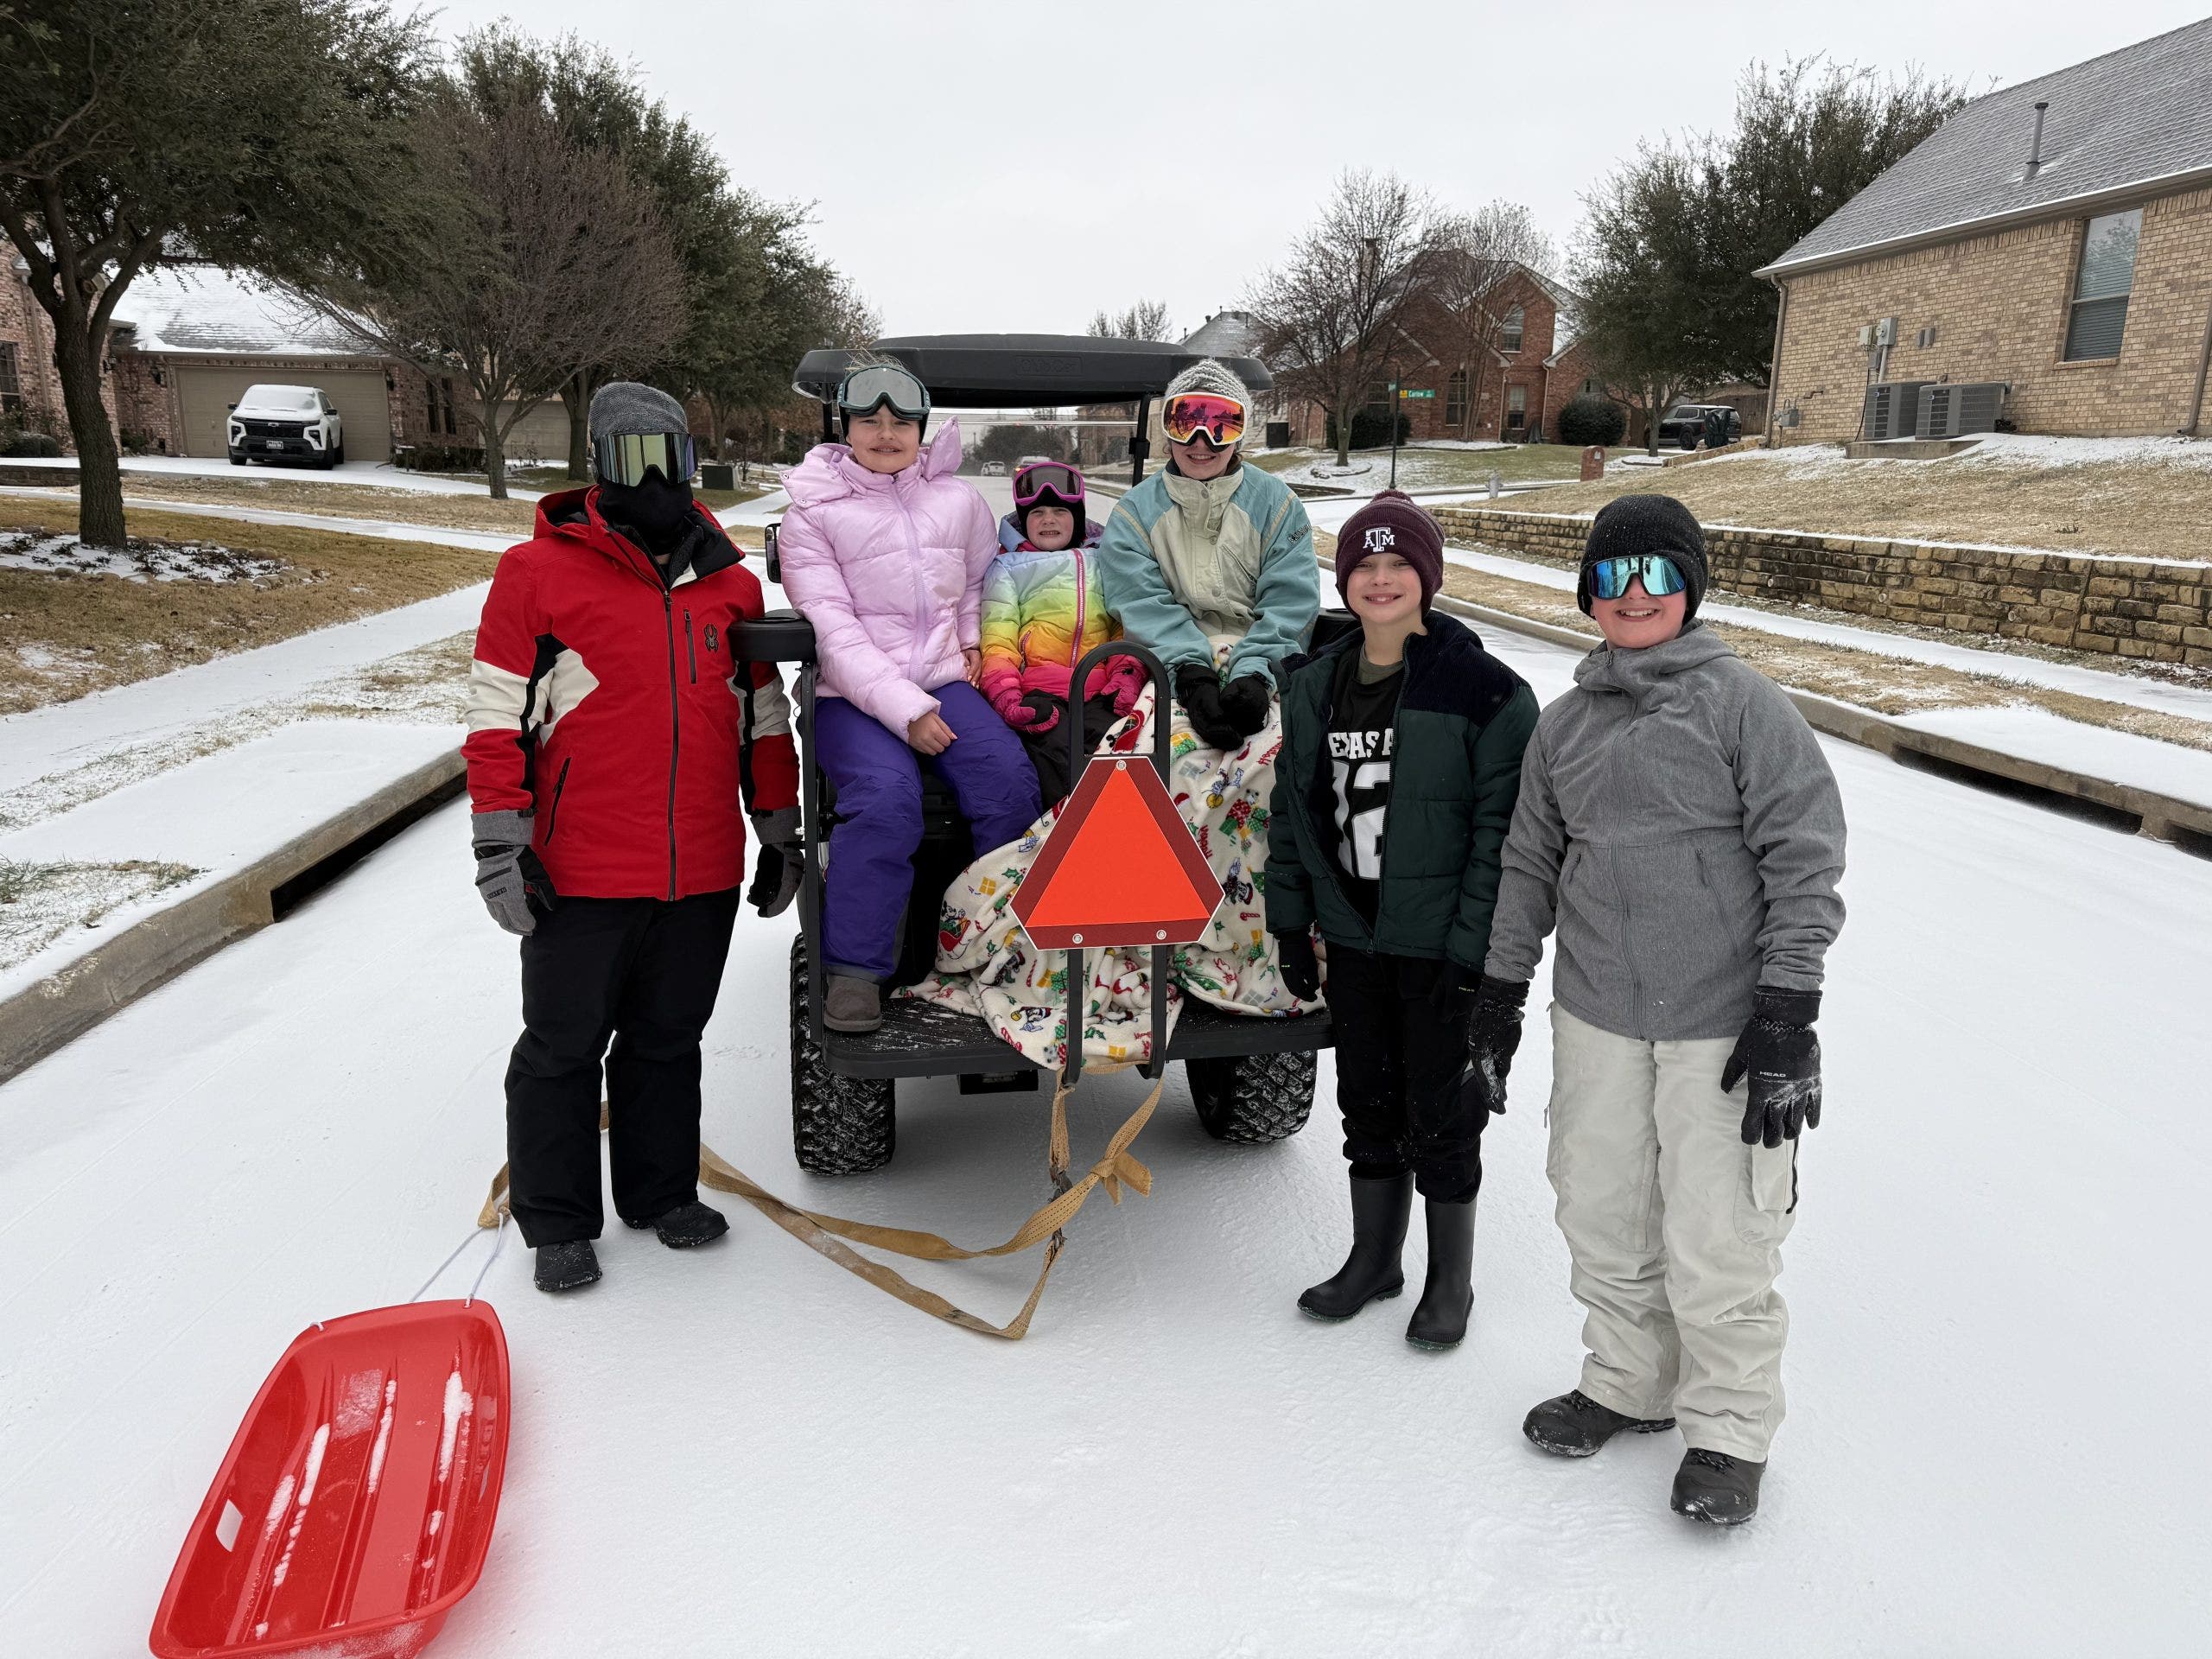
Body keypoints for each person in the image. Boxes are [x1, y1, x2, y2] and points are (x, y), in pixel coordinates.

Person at [1477, 493, 1847, 1526]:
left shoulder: (1743, 708)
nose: (1631, 597)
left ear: (1691, 588)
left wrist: (1787, 1012)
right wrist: (1500, 996)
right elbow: (1527, 868)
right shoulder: (1564, 726)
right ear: (1586, 595)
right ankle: (1627, 1382)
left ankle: (1727, 1429)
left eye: (1654, 577)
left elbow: (1805, 863)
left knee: (1721, 1229)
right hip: (1596, 1013)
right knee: (1599, 1206)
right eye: (1609, 578)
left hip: (1721, 1024)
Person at [466, 381, 802, 1295]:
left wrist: (777, 828)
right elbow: (497, 718)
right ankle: (560, 1221)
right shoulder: (536, 576)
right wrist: (501, 844)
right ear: (599, 469)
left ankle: (660, 1195)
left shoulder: (731, 585)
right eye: (630, 460)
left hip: (696, 865)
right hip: (578, 868)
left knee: (666, 1039)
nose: (653, 479)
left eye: (669, 458)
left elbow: (762, 718)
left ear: (692, 462)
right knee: (562, 1047)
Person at [1267, 493, 1538, 1349]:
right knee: (1366, 1104)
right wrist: (1289, 922)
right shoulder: (1314, 686)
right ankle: (1373, 1261)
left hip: (1438, 947)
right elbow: (1291, 815)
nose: (1380, 582)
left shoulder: (1487, 693)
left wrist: (1473, 957)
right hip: (1352, 938)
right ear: (1344, 580)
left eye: (1398, 567)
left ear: (1426, 577)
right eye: (1363, 568)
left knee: (1442, 1111)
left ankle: (1447, 1283)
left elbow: (1501, 842)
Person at [776, 361, 1042, 1035]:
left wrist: (976, 643)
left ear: (922, 430)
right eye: (870, 420)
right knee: (886, 801)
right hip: (852, 696)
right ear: (848, 428)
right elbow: (831, 627)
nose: (886, 433)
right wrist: (908, 709)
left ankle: (993, 944)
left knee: (1010, 780)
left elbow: (984, 581)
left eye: (901, 422)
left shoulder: (957, 502)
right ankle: (858, 972)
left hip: (948, 681)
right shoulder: (813, 513)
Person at [1097, 359, 1319, 751]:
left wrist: (1256, 674)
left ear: (1240, 436)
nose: (1201, 442)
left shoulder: (1277, 505)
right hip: (1176, 665)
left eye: (1221, 426)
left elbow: (1290, 598)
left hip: (1262, 659)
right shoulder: (1135, 514)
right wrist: (1190, 673)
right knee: (1156, 753)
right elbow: (1140, 599)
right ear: (1167, 433)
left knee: (1285, 757)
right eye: (1185, 423)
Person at [980, 461, 1146, 804]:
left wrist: (1126, 676)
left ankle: (1120, 835)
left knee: (1116, 748)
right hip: (1040, 691)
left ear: (1078, 518)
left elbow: (1121, 628)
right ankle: (1058, 838)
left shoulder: (1101, 562)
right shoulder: (1009, 568)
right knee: (1055, 754)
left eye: (1059, 511)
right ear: (1024, 522)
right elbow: (999, 641)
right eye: (1037, 512)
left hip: (1099, 688)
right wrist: (1007, 696)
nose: (1049, 519)